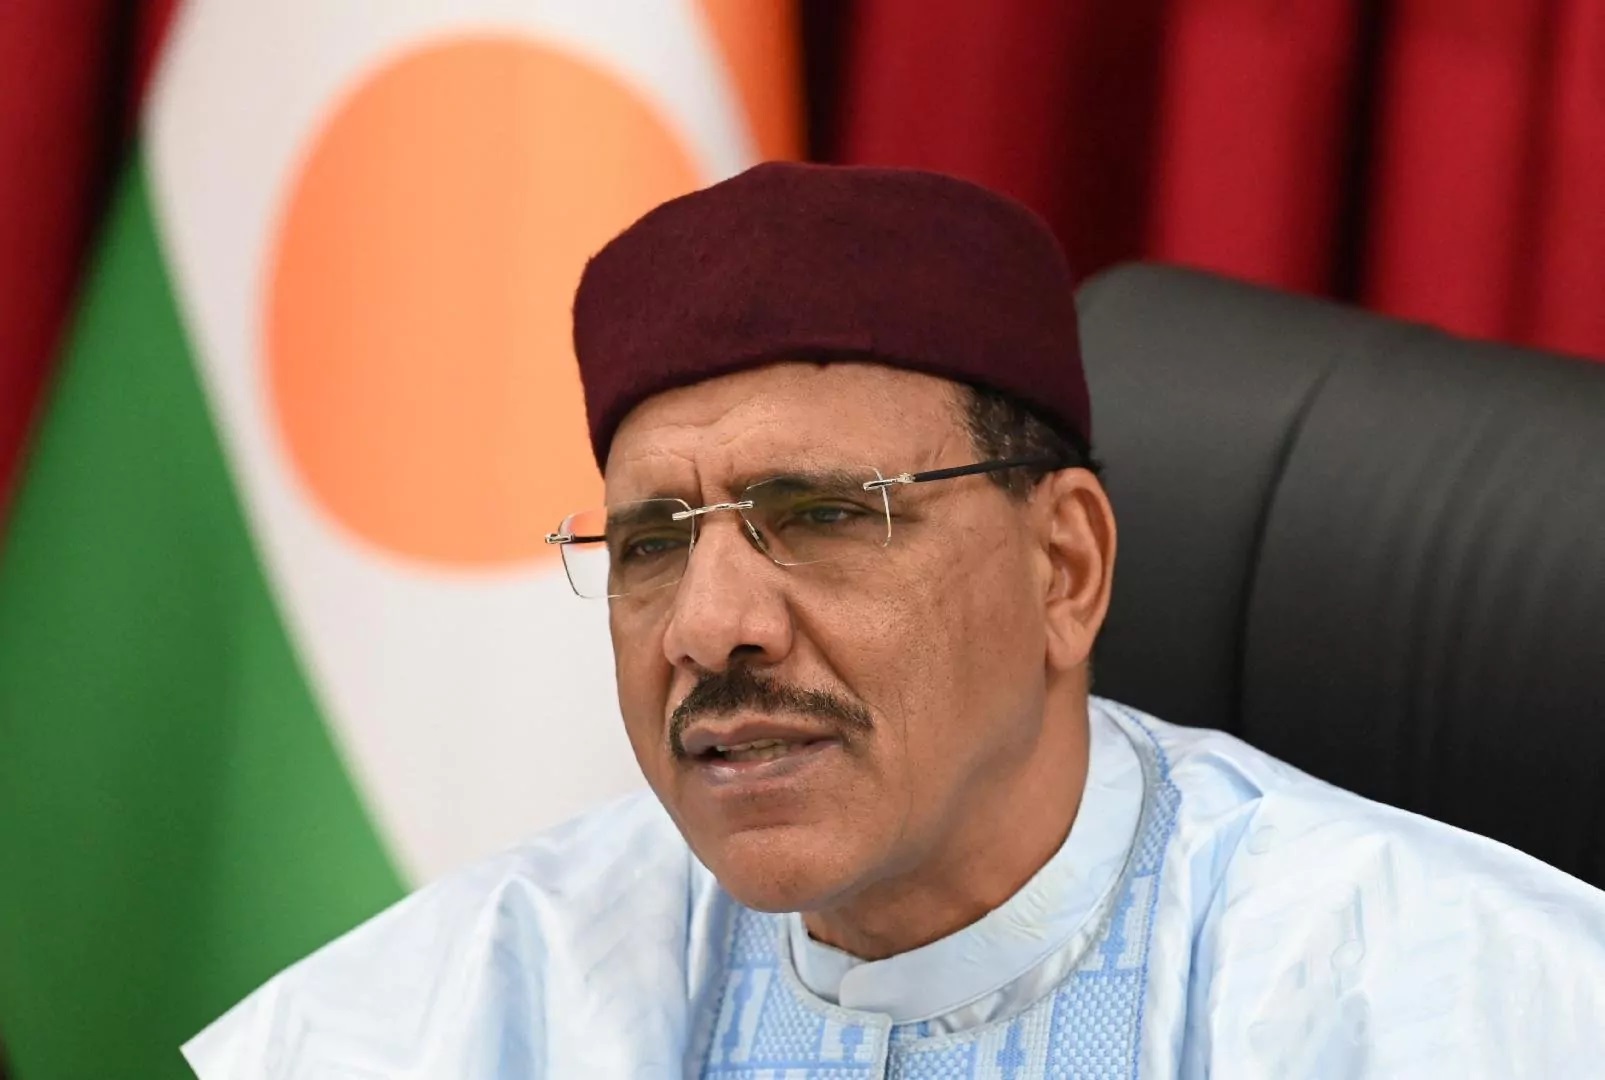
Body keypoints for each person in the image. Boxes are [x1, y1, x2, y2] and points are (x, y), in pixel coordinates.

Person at [184, 163, 1605, 1079]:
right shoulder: (502, 987)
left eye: (819, 512)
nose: (708, 627)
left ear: (1063, 569)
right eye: (653, 543)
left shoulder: (1448, 996)